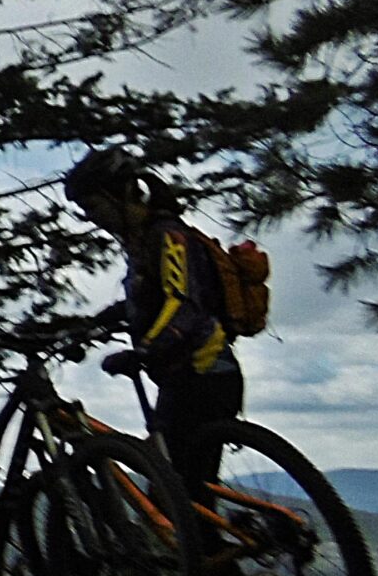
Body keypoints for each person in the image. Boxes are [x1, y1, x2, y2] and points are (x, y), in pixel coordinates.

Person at [62, 147, 244, 499]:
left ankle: (214, 546)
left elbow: (182, 304)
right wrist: (91, 327)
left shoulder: (167, 236)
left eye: (95, 208)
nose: (94, 219)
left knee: (177, 494)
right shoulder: (144, 242)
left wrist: (144, 351)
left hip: (205, 376)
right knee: (180, 492)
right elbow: (143, 301)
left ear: (122, 194)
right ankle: (204, 547)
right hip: (187, 377)